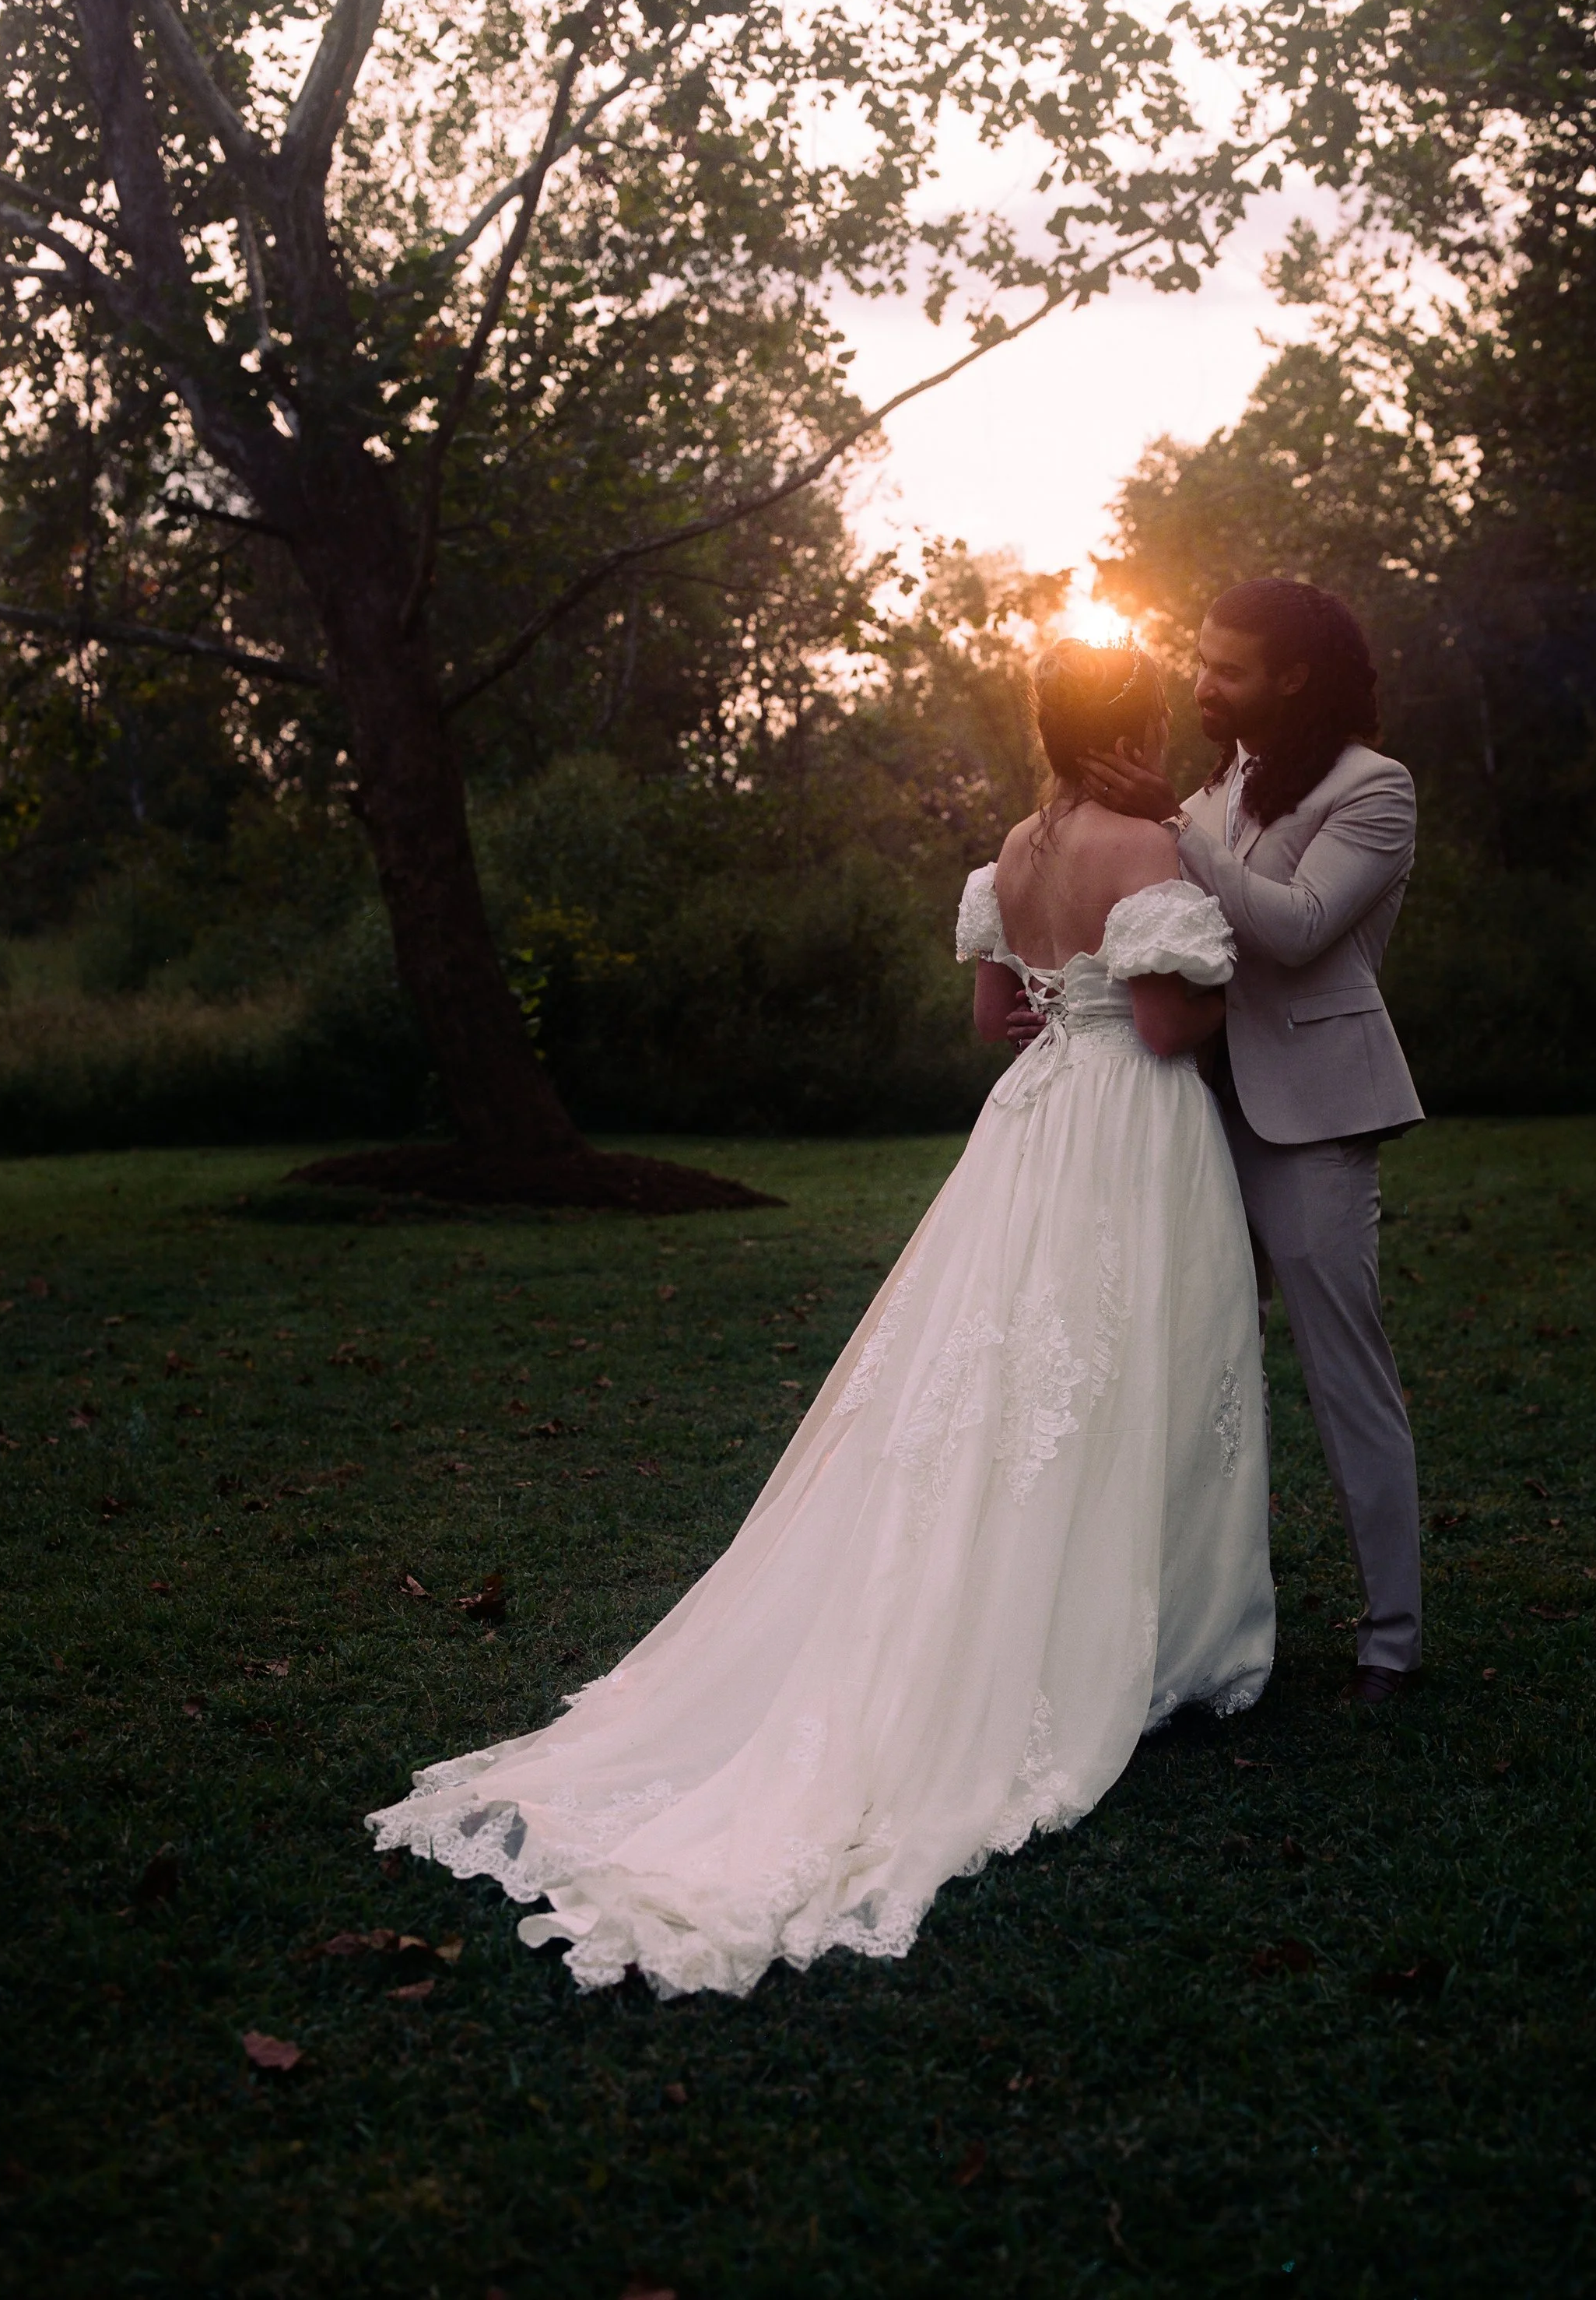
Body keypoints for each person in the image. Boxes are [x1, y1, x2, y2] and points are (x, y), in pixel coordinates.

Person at [368, 640, 1275, 1999]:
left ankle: (1102, 1612)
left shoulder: (1015, 855)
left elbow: (992, 1019)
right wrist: (1222, 977)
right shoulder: (1146, 845)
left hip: (1029, 1130)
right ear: (1136, 718)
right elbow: (1157, 1028)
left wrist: (1070, 1006)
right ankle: (1158, 1642)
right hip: (1127, 1132)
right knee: (1134, 1364)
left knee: (1021, 1381)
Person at [1080, 578, 1425, 1705]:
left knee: (1343, 1376)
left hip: (1314, 1117)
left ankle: (1390, 1639)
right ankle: (1173, 1623)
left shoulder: (1374, 789)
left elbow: (1297, 928)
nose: (1200, 682)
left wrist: (1175, 828)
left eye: (1226, 668)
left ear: (1294, 677)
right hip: (1194, 1109)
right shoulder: (1216, 787)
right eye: (1200, 659)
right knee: (1185, 1363)